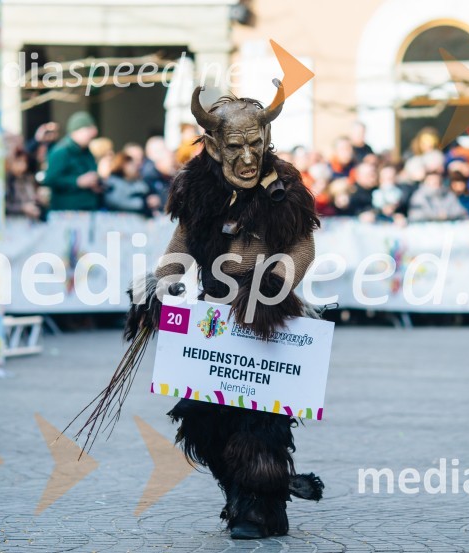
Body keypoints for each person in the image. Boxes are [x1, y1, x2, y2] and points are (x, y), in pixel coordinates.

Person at [101, 82, 324, 539]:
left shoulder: (286, 185)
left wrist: (276, 280)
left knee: (259, 419)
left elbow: (304, 244)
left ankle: (258, 510)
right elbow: (182, 244)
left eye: (256, 145)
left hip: (267, 313)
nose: (247, 158)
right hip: (213, 316)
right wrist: (158, 283)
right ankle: (245, 496)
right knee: (205, 418)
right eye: (236, 146)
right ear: (214, 144)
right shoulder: (196, 188)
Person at [42, 111, 102, 211]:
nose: (92, 135)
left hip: (88, 208)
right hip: (67, 211)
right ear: (76, 131)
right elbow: (50, 179)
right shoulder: (61, 151)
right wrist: (77, 181)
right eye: (87, 130)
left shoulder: (86, 152)